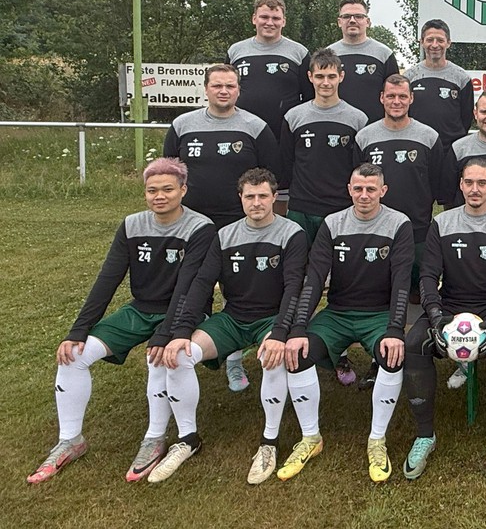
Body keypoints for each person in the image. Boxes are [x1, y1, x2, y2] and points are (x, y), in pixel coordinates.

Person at [27, 158, 215, 484]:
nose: (159, 196)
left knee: (160, 357)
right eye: (152, 190)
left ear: (183, 190)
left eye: (168, 189)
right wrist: (78, 330)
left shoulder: (201, 227)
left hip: (186, 310)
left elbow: (188, 287)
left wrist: (165, 333)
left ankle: (154, 438)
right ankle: (70, 440)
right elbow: (107, 279)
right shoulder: (131, 225)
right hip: (140, 309)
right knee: (73, 356)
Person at [148, 169, 311, 485]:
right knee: (180, 355)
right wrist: (181, 331)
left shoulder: (292, 233)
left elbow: (294, 286)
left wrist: (280, 332)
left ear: (274, 198)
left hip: (271, 318)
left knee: (272, 357)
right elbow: (202, 284)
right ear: (240, 198)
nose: (256, 202)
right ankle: (187, 439)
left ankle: (269, 441)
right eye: (250, 196)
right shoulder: (224, 235)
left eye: (263, 196)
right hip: (233, 318)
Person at [284, 163, 414, 483]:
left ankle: (377, 439)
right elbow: (314, 278)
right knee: (297, 352)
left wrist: (395, 329)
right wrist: (298, 328)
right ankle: (311, 437)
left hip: (379, 314)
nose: (364, 195)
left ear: (383, 191)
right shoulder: (333, 223)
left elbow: (402, 282)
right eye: (358, 189)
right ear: (349, 190)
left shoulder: (399, 223)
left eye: (371, 189)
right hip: (338, 313)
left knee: (392, 356)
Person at [403, 158, 486, 481]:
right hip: (450, 307)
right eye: (469, 182)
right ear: (460, 185)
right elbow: (428, 275)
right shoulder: (442, 223)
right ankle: (425, 434)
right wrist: (436, 317)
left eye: (481, 183)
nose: (475, 189)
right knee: (414, 344)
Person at [163, 63, 281, 392]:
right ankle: (189, 341)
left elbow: (272, 175)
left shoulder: (255, 127)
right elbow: (170, 173)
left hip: (239, 222)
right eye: (217, 85)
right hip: (193, 222)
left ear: (239, 90)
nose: (224, 91)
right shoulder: (182, 125)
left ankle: (233, 358)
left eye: (230, 85)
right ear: (206, 88)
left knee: (238, 286)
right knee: (193, 282)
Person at [355, 74, 444, 292]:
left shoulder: (429, 137)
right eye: (391, 96)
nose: (397, 102)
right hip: (376, 229)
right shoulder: (364, 137)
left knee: (416, 291)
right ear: (382, 98)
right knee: (377, 290)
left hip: (417, 229)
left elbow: (437, 182)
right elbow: (358, 182)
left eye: (402, 96)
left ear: (411, 98)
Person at [280, 48, 368, 245]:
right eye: (320, 76)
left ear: (341, 77)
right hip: (301, 207)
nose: (325, 82)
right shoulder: (293, 117)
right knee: (298, 261)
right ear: (310, 76)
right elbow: (286, 162)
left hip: (340, 207)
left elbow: (359, 167)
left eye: (331, 76)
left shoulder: (358, 119)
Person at [228, 0, 312, 140]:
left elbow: (309, 97)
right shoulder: (235, 51)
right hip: (242, 131)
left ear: (284, 21)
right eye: (264, 17)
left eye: (276, 18)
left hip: (284, 133)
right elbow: (226, 89)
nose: (270, 23)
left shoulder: (300, 53)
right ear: (254, 19)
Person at [327, 0, 400, 123]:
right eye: (346, 16)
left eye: (359, 16)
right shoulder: (328, 55)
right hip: (336, 126)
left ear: (368, 22)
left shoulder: (384, 54)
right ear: (339, 22)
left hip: (375, 129)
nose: (352, 20)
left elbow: (395, 94)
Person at [405, 19, 473, 155]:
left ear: (448, 43)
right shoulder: (409, 77)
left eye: (440, 40)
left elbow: (466, 117)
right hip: (417, 148)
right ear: (422, 42)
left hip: (451, 150)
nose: (435, 45)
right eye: (430, 40)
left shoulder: (462, 77)